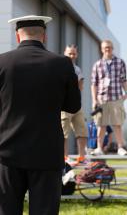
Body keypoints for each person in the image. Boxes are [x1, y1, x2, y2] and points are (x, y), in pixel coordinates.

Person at [0, 15, 81, 215]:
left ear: (18, 37)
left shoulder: (2, 62)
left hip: (7, 152)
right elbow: (73, 106)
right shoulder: (62, 64)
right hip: (46, 153)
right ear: (44, 36)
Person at [91, 40, 127, 156]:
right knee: (101, 124)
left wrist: (126, 92)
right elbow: (94, 83)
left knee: (117, 124)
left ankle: (120, 148)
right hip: (102, 99)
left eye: (109, 47)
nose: (107, 49)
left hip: (116, 97)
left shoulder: (120, 62)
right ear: (102, 49)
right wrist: (94, 100)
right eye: (105, 47)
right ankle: (99, 148)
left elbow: (124, 79)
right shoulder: (97, 64)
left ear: (112, 48)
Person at [61, 44, 88, 166]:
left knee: (82, 131)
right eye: (69, 53)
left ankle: (82, 157)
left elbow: (80, 86)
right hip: (64, 105)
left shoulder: (77, 69)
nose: (72, 55)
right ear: (64, 53)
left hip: (77, 104)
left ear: (76, 54)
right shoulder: (59, 68)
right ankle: (64, 157)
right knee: (63, 133)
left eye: (74, 53)